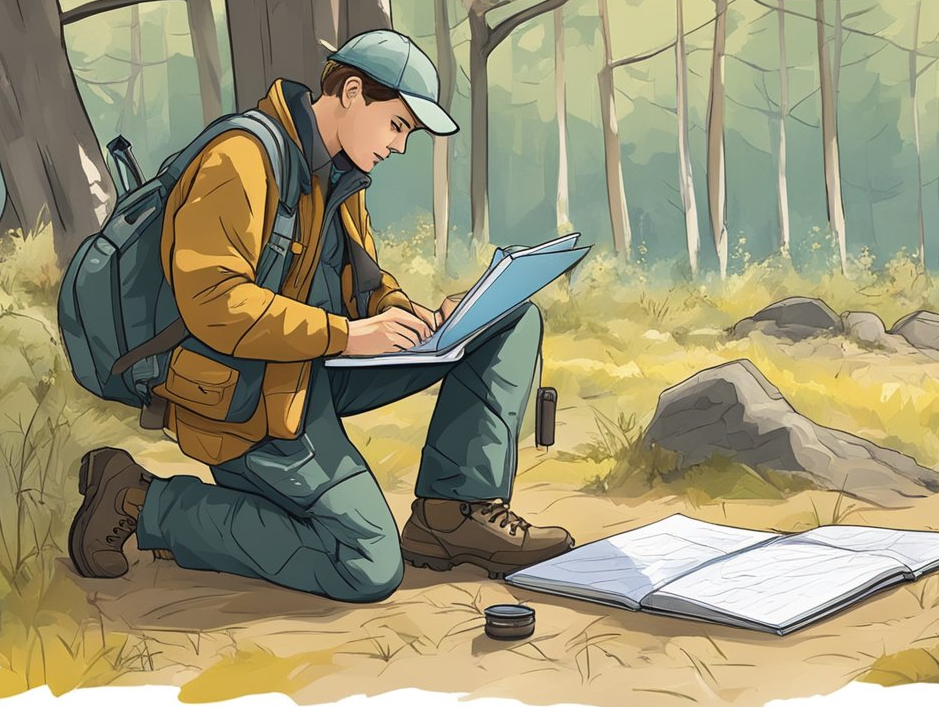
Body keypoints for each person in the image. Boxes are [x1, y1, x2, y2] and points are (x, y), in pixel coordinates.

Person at [67, 29, 575, 601]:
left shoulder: (342, 172)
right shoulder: (241, 159)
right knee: (366, 562)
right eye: (398, 124)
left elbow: (363, 282)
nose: (400, 146)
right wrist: (347, 337)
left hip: (308, 368)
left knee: (507, 322)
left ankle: (451, 515)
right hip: (242, 396)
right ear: (352, 93)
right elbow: (214, 303)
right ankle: (141, 500)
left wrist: (411, 315)